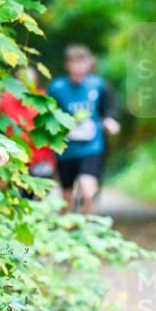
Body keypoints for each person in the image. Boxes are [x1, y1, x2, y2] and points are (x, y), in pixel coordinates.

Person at [47, 44, 121, 214]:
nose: (79, 67)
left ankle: (86, 226)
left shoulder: (98, 85)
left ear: (89, 64)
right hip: (65, 148)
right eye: (75, 63)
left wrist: (111, 120)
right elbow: (46, 113)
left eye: (82, 62)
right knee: (67, 196)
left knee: (88, 190)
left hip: (92, 146)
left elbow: (110, 107)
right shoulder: (57, 88)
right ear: (68, 65)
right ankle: (66, 230)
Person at [0, 66, 57, 192]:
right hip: (13, 159)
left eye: (29, 82)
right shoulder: (5, 100)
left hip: (40, 159)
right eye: (21, 81)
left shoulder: (44, 101)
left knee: (37, 197)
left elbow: (53, 131)